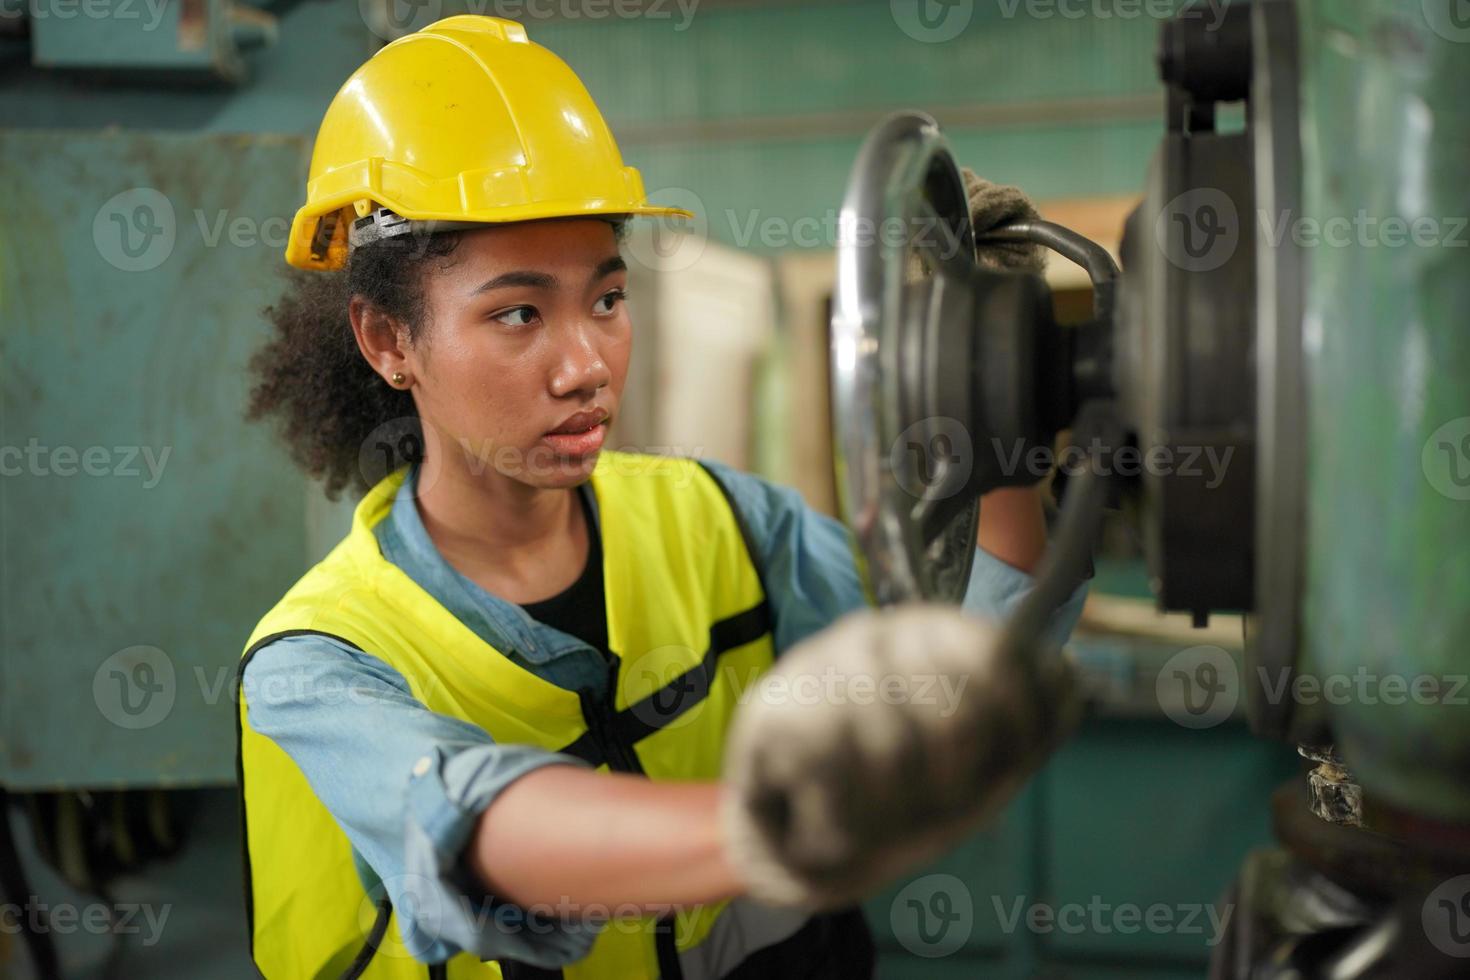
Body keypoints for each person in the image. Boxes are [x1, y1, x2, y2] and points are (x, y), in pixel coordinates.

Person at [236, 14, 1086, 980]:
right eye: (518, 314)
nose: (587, 366)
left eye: (606, 299)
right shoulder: (317, 662)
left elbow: (961, 660)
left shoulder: (722, 523)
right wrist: (773, 825)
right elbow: (472, 819)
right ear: (389, 341)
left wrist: (996, 403)